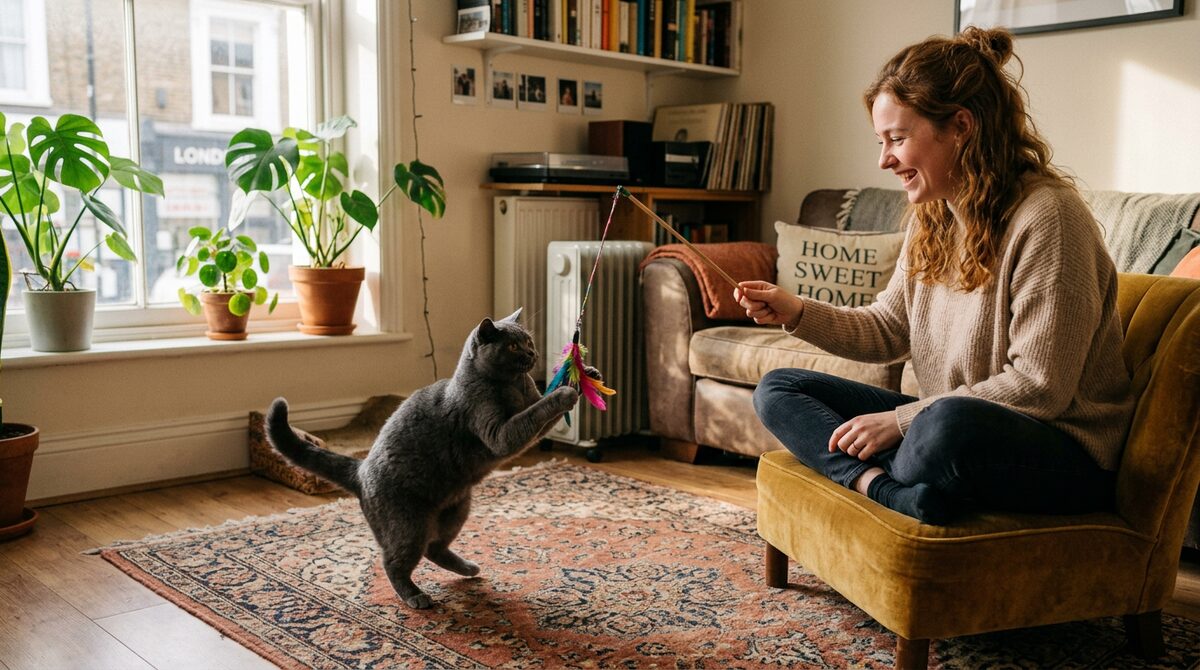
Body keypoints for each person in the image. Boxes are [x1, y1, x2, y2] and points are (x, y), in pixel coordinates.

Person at [736, 27, 1134, 525]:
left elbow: (1039, 387)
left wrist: (901, 420)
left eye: (897, 139)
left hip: (1060, 450)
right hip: (948, 423)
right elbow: (888, 329)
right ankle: (885, 489)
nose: (884, 160)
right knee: (780, 389)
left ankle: (884, 476)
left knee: (943, 429)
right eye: (881, 141)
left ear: (961, 126)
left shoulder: (1049, 217)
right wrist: (796, 311)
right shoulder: (934, 216)